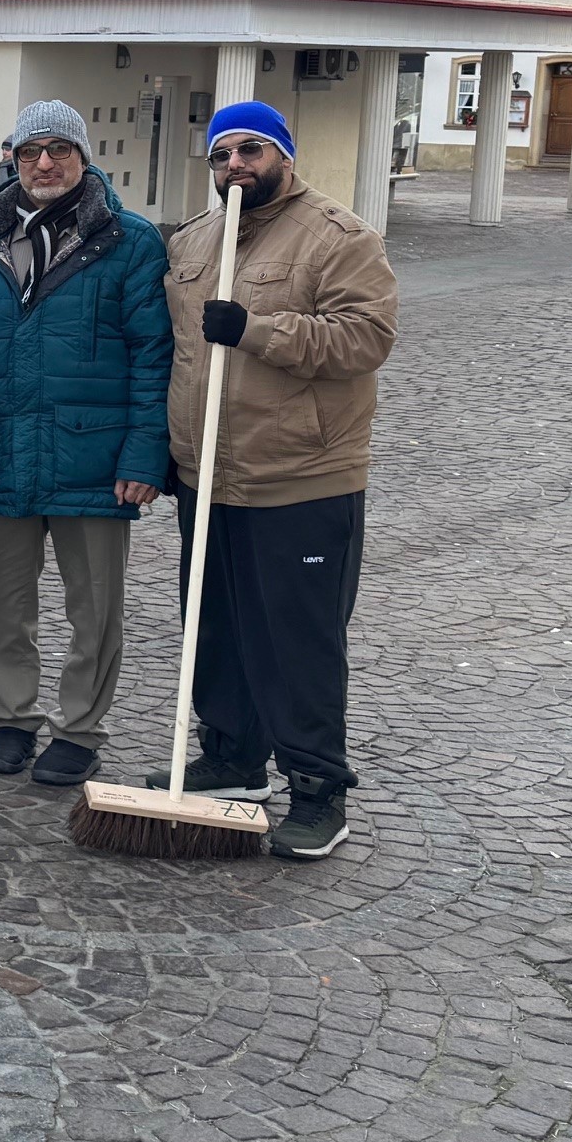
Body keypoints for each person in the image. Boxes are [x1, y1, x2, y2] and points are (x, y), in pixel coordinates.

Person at [159, 100, 398, 860]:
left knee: (298, 638)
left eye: (252, 151)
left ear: (284, 155)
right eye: (223, 155)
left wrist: (260, 330)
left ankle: (318, 786)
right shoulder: (195, 240)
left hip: (299, 475)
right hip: (207, 472)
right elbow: (182, 355)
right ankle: (233, 756)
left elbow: (367, 338)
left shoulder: (341, 238)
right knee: (216, 626)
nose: (237, 167)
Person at [0, 100, 170, 789]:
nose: (45, 162)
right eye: (32, 148)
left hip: (93, 457)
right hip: (0, 447)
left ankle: (79, 729)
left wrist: (143, 454)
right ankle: (11, 717)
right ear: (11, 155)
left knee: (95, 606)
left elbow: (154, 354)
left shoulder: (129, 240)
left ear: (83, 157)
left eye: (60, 149)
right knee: (0, 600)